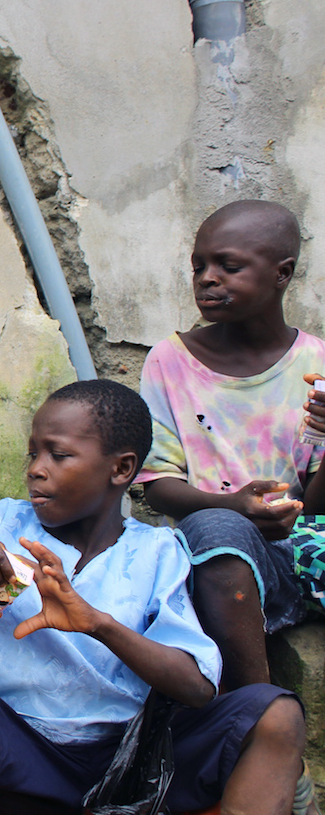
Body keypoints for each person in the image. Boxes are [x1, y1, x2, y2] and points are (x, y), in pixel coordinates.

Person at [0, 379, 309, 815]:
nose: (36, 468)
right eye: (33, 453)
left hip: (134, 757)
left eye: (58, 455)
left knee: (277, 711)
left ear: (121, 469)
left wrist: (98, 624)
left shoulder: (156, 552)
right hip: (16, 748)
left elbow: (196, 687)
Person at [137, 199, 325, 690]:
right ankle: (256, 711)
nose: (207, 277)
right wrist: (232, 506)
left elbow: (315, 510)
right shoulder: (170, 362)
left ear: (281, 273)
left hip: (299, 554)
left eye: (229, 266)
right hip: (209, 554)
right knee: (218, 527)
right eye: (199, 265)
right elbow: (157, 486)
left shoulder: (316, 365)